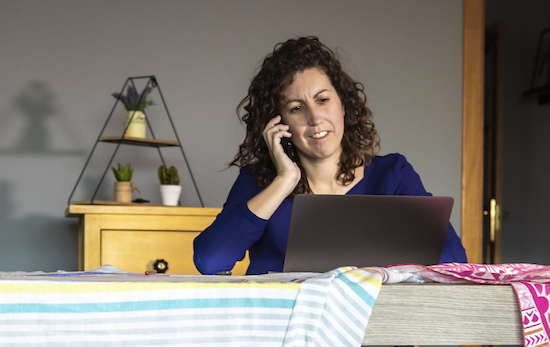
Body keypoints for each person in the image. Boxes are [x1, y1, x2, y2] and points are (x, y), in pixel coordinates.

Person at [192, 36, 467, 276]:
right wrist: (284, 180)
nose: (315, 118)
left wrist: (373, 272)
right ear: (278, 121)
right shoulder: (259, 182)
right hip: (286, 332)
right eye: (297, 108)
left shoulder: (392, 176)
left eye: (322, 100)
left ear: (343, 105)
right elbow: (212, 260)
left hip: (373, 331)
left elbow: (454, 262)